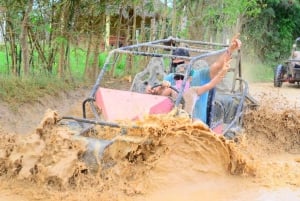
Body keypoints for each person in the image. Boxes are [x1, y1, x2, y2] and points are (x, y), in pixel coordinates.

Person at [146, 34, 242, 123]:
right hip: (173, 122)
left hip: (195, 125)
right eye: (174, 65)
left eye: (181, 64)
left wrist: (230, 50)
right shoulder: (170, 77)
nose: (178, 68)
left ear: (188, 62)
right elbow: (159, 96)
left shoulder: (200, 76)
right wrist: (153, 91)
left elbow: (217, 67)